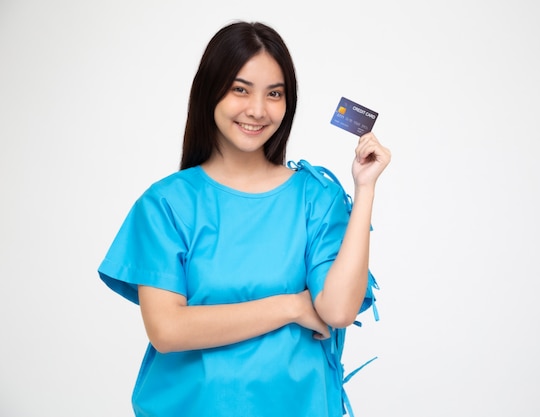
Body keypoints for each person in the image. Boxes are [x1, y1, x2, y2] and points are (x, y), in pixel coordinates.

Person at [98, 20, 391, 417]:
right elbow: (167, 331)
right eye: (240, 89)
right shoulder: (167, 203)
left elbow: (338, 311)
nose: (257, 110)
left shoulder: (314, 197)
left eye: (274, 94)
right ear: (210, 91)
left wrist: (365, 188)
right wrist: (291, 307)